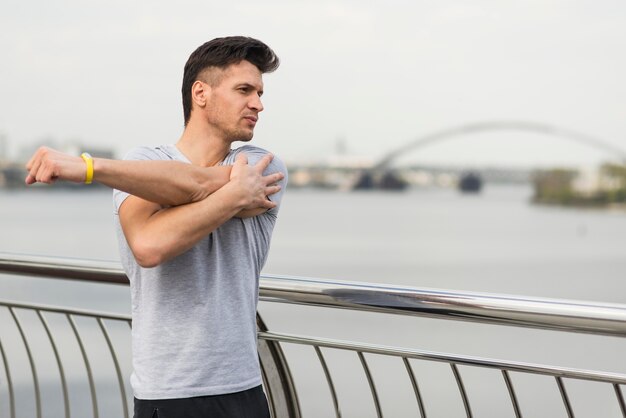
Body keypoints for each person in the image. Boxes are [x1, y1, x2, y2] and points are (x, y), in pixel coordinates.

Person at [25, 36, 287, 418]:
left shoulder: (263, 164)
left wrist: (89, 169)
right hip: (166, 392)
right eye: (244, 90)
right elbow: (149, 246)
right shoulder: (143, 162)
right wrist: (233, 194)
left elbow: (194, 185)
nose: (258, 104)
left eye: (260, 92)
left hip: (242, 389)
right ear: (201, 93)